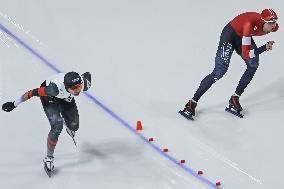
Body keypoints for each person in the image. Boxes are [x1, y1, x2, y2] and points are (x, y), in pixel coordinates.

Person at [183, 9, 279, 117]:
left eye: (275, 22)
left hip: (242, 36)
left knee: (253, 65)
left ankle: (235, 98)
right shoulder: (249, 24)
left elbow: (248, 52)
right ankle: (192, 102)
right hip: (230, 34)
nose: (273, 26)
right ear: (263, 21)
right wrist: (263, 48)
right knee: (219, 72)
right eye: (270, 23)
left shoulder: (274, 27)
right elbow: (246, 54)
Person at [2, 71, 92, 172]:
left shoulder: (85, 84)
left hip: (65, 96)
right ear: (66, 87)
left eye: (79, 87)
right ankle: (49, 158)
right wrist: (14, 104)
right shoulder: (52, 89)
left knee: (74, 126)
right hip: (49, 97)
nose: (77, 91)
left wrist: (83, 77)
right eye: (74, 88)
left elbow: (87, 74)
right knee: (57, 126)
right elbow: (31, 93)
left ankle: (68, 122)